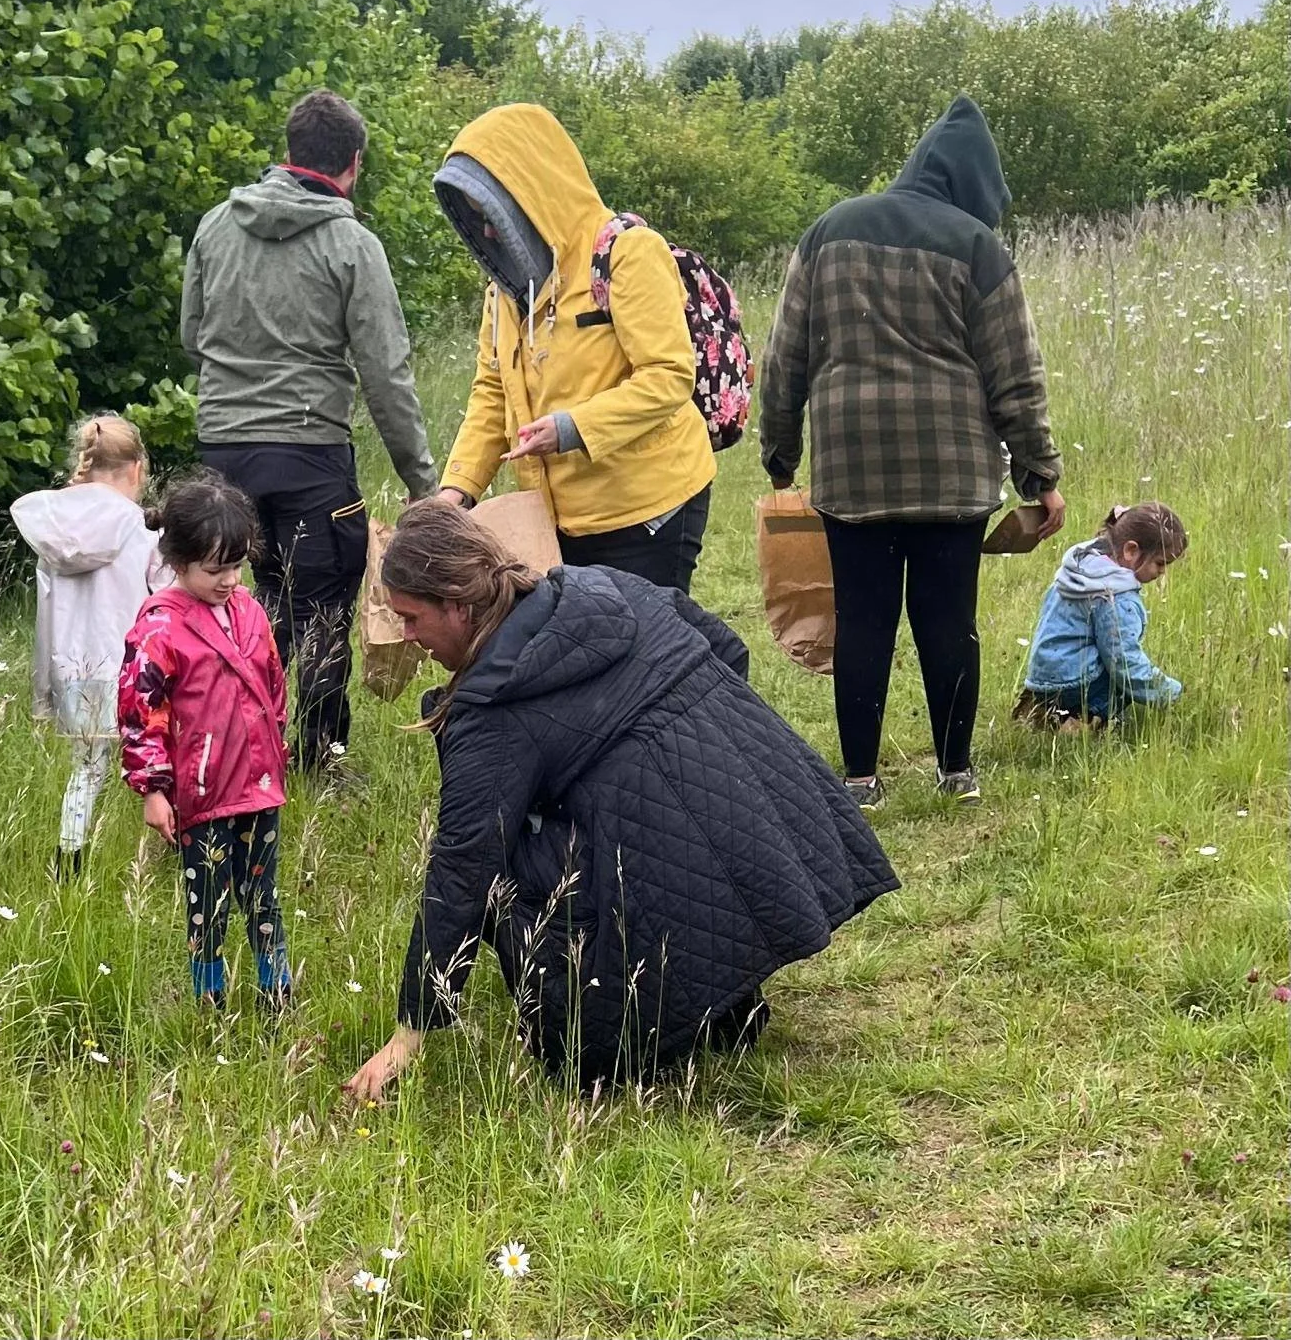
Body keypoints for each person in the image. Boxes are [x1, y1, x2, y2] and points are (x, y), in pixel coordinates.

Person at [343, 504, 899, 1099]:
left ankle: (630, 1024)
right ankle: (724, 996)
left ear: (457, 603)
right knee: (644, 812)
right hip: (758, 832)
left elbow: (464, 865)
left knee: (514, 865)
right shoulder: (604, 586)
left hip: (671, 873)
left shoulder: (492, 713)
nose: (407, 636)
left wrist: (411, 1030)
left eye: (411, 617)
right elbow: (726, 648)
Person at [759, 95, 1065, 809]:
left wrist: (781, 454)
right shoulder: (977, 247)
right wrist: (1039, 474)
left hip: (851, 472)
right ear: (975, 184)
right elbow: (1016, 375)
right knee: (948, 621)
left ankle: (860, 780)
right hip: (953, 476)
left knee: (863, 620)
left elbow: (784, 356)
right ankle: (956, 772)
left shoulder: (829, 231)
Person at [181, 89, 438, 774]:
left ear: (290, 149)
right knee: (321, 607)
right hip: (309, 452)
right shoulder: (352, 245)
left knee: (236, 600)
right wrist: (423, 484)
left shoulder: (215, 226)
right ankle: (318, 757)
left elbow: (191, 335)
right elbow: (385, 374)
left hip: (223, 451)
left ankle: (228, 749)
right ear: (353, 164)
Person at [432, 103, 716, 594]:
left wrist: (571, 428)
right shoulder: (503, 292)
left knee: (646, 641)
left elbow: (668, 375)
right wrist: (457, 490)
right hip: (558, 523)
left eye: (494, 214)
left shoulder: (628, 252)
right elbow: (492, 393)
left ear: (530, 197)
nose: (489, 232)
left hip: (647, 511)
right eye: (478, 219)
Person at [118, 476, 292, 1008]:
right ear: (177, 559)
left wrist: (276, 746)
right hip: (203, 795)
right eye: (215, 570)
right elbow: (139, 711)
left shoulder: (250, 611)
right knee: (208, 904)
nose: (229, 580)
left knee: (263, 896)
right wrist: (154, 789)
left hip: (259, 787)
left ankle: (277, 991)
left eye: (237, 566)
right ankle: (208, 1000)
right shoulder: (159, 628)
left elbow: (273, 684)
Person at [11, 414, 158, 881]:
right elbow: (165, 595)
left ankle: (69, 857)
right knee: (160, 756)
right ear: (136, 468)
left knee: (88, 766)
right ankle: (176, 849)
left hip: (73, 668)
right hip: (135, 668)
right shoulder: (141, 528)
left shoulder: (54, 526)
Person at [1016, 502, 1186, 731]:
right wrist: (1172, 693)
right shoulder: (1115, 597)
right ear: (1131, 550)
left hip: (1042, 677)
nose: (1163, 571)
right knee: (1122, 686)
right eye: (1160, 563)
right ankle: (1080, 722)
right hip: (1076, 683)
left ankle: (1043, 706)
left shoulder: (1079, 572)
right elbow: (1125, 663)